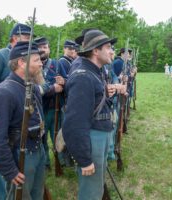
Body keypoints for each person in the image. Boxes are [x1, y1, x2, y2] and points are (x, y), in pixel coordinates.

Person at [0, 41, 45, 199]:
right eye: (36, 60)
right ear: (21, 62)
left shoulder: (31, 87)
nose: (41, 64)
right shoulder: (3, 93)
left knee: (36, 195)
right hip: (19, 156)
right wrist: (9, 170)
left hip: (37, 151)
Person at [62, 29, 117, 200]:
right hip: (92, 139)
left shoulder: (94, 71)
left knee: (97, 188)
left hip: (99, 134)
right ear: (95, 50)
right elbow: (75, 123)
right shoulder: (83, 76)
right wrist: (84, 159)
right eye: (108, 47)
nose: (111, 51)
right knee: (91, 193)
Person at [34, 36, 66, 169]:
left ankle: (62, 161)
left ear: (49, 49)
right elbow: (36, 89)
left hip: (55, 108)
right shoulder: (33, 66)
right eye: (39, 47)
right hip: (40, 109)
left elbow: (66, 81)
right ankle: (45, 163)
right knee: (41, 139)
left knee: (58, 136)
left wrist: (63, 82)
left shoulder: (57, 64)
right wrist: (54, 88)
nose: (42, 50)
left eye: (45, 47)